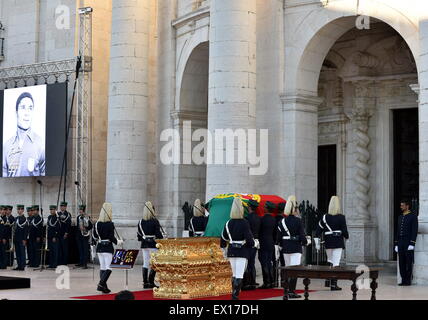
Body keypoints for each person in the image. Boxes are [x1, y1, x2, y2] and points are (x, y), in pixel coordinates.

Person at [220, 197, 256, 300]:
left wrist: (223, 247)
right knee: (239, 275)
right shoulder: (244, 222)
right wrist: (253, 244)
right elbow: (249, 239)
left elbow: (223, 237)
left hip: (232, 250)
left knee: (234, 274)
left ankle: (234, 294)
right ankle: (235, 296)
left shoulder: (228, 223)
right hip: (242, 251)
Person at [3, 91, 45, 177]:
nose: (27, 113)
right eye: (23, 107)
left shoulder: (40, 144)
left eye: (30, 108)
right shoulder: (6, 146)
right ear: (16, 112)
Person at [315, 195, 349, 290]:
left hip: (328, 241)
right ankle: (334, 284)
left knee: (330, 260)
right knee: (336, 263)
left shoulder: (324, 217)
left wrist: (318, 237)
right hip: (337, 241)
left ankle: (328, 280)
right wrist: (347, 237)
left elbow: (318, 230)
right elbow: (344, 231)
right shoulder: (341, 217)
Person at [277, 196, 308, 298]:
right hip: (295, 248)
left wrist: (281, 246)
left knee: (288, 269)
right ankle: (291, 291)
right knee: (294, 270)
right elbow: (302, 236)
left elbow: (279, 237)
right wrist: (305, 242)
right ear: (294, 209)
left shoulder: (281, 221)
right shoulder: (298, 221)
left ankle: (287, 291)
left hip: (286, 248)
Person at [92, 203, 123, 294]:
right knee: (109, 268)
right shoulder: (110, 224)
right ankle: (101, 284)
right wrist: (118, 242)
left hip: (100, 247)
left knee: (103, 267)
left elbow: (94, 236)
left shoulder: (97, 224)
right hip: (107, 248)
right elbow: (111, 237)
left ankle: (104, 287)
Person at [137, 201, 164, 289]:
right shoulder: (154, 221)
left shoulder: (140, 222)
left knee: (145, 263)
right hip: (153, 244)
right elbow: (158, 234)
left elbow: (139, 236)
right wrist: (162, 237)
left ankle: (145, 282)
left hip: (144, 244)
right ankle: (151, 281)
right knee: (154, 263)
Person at [395, 199, 418, 286]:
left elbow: (414, 231)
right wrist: (396, 243)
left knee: (408, 262)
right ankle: (403, 279)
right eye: (401, 205)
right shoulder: (400, 217)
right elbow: (397, 231)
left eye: (402, 205)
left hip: (408, 242)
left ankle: (408, 280)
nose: (401, 207)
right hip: (400, 242)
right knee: (401, 262)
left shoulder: (413, 216)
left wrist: (412, 243)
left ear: (407, 206)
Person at [242, 199, 261, 291]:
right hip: (256, 242)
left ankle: (247, 283)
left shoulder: (246, 218)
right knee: (252, 262)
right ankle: (252, 282)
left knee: (246, 262)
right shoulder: (258, 218)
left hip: (248, 242)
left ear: (249, 207)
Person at [258, 201, 277, 289]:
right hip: (271, 242)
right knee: (269, 262)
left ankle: (267, 282)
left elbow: (259, 231)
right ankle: (272, 281)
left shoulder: (262, 219)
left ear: (267, 208)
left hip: (263, 242)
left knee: (264, 262)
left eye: (265, 207)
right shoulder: (274, 220)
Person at [76, 205, 93, 269]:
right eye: (79, 210)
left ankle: (85, 263)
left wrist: (85, 228)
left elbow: (91, 226)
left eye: (81, 210)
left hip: (85, 235)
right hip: (79, 235)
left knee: (85, 250)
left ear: (83, 211)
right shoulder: (78, 217)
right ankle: (81, 262)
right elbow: (77, 226)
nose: (80, 211)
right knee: (80, 250)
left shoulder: (87, 217)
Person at [13, 205, 28, 271]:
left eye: (20, 209)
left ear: (23, 210)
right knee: (18, 252)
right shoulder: (16, 218)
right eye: (18, 209)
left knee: (22, 252)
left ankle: (22, 266)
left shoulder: (24, 219)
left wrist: (24, 239)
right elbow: (14, 229)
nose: (19, 211)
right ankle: (19, 265)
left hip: (22, 239)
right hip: (16, 238)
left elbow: (26, 230)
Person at [58, 201, 71, 265]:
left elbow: (68, 225)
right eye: (61, 206)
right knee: (59, 249)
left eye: (63, 206)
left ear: (65, 207)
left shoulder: (68, 214)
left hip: (64, 233)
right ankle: (60, 261)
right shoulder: (58, 214)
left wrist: (66, 233)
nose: (62, 207)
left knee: (65, 249)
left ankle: (65, 262)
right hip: (59, 233)